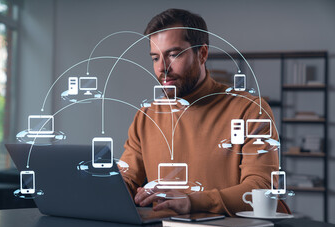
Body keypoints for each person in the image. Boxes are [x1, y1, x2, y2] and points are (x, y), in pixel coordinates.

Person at [120, 8, 289, 216]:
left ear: (202, 53)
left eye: (174, 55)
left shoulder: (250, 110)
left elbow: (261, 189)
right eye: (155, 58)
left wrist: (192, 201)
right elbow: (125, 182)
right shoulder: (146, 117)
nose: (162, 67)